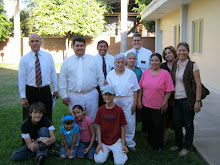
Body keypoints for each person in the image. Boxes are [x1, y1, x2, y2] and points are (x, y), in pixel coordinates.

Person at [59, 37, 104, 122]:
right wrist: (64, 95)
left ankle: (93, 135)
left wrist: (102, 90)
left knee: (93, 118)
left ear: (85, 47)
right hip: (74, 95)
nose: (79, 48)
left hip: (91, 94)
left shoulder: (94, 60)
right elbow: (62, 79)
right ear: (73, 47)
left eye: (81, 45)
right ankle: (78, 135)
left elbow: (100, 76)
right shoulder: (67, 62)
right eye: (77, 46)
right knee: (76, 119)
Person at [138, 53, 175, 153]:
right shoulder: (146, 73)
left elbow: (169, 90)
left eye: (156, 60)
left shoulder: (165, 74)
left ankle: (160, 145)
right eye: (152, 60)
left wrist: (164, 103)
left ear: (160, 62)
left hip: (159, 106)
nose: (154, 63)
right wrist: (139, 101)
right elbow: (140, 87)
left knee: (158, 126)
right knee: (149, 125)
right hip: (146, 104)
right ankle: (151, 143)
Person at [170, 42, 202, 156]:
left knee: (188, 124)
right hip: (176, 100)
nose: (181, 52)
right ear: (177, 52)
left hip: (187, 100)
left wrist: (197, 101)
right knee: (177, 123)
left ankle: (187, 147)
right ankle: (179, 144)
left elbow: (198, 84)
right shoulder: (175, 64)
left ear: (188, 52)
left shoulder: (192, 65)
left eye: (184, 50)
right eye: (179, 50)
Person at [18, 34, 58, 121]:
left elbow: (53, 73)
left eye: (37, 41)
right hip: (31, 91)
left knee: (47, 115)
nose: (35, 43)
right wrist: (23, 97)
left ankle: (46, 133)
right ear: (29, 43)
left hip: (45, 91)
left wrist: (55, 89)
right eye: (32, 41)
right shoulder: (24, 59)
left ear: (41, 42)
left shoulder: (48, 56)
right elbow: (21, 79)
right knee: (29, 117)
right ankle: (30, 134)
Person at [106, 54, 140, 151]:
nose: (120, 64)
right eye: (118, 62)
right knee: (114, 120)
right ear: (114, 63)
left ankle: (130, 142)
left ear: (125, 63)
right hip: (115, 99)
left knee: (129, 120)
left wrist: (134, 103)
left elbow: (135, 89)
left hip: (128, 99)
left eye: (122, 62)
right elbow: (108, 89)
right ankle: (116, 140)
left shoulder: (130, 74)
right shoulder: (110, 74)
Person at [94, 85, 128, 165]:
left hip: (116, 140)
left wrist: (123, 144)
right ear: (102, 96)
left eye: (110, 95)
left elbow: (122, 127)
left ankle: (120, 152)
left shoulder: (119, 110)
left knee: (119, 163)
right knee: (98, 160)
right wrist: (99, 143)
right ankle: (110, 152)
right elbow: (98, 127)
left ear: (114, 96)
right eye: (106, 94)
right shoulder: (100, 110)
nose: (107, 97)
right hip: (104, 140)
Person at [161, 46, 177, 142]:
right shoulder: (163, 66)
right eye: (166, 54)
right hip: (165, 95)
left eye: (170, 52)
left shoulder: (179, 64)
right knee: (165, 117)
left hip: (177, 95)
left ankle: (177, 136)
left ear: (174, 53)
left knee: (177, 117)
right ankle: (165, 137)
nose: (168, 55)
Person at [95, 40, 115, 107]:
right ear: (97, 48)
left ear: (107, 48)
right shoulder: (93, 59)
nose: (103, 48)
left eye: (105, 47)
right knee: (98, 106)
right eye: (100, 46)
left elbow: (114, 71)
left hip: (109, 87)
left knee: (109, 106)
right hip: (97, 87)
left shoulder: (112, 59)